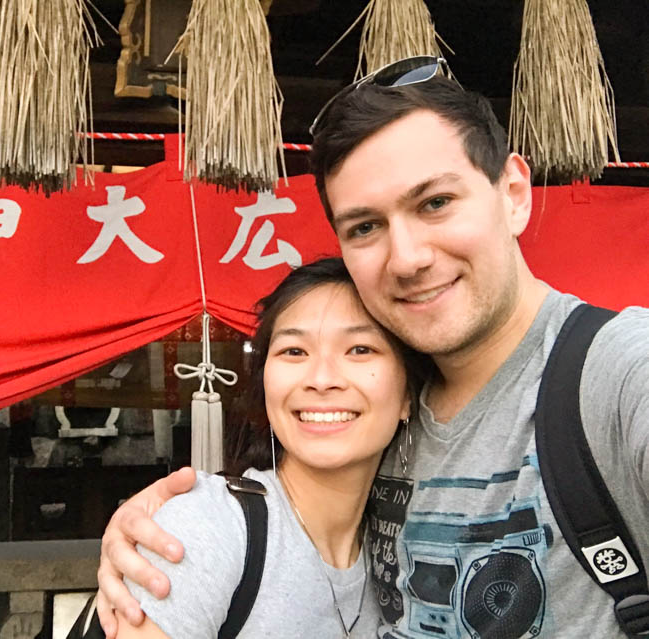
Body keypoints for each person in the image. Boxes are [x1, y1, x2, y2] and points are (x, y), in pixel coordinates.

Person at [97, 57, 649, 638]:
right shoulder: (377, 418)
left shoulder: (614, 374)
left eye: (435, 203)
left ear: (513, 193)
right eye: (365, 227)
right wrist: (162, 533)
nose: (407, 258)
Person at [113, 257, 415, 638]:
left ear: (408, 394)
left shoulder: (401, 554)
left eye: (359, 349)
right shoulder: (209, 527)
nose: (321, 379)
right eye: (294, 351)